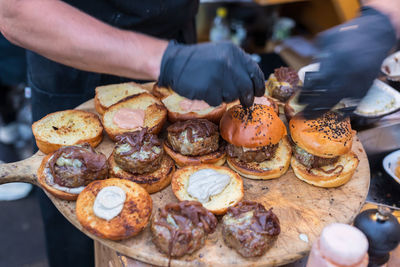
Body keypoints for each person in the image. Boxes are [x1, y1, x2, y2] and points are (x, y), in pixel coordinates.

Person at [0, 0, 398, 266]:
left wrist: (382, 17)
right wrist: (163, 59)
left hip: (175, 32)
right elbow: (15, 12)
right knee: (80, 247)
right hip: (72, 54)